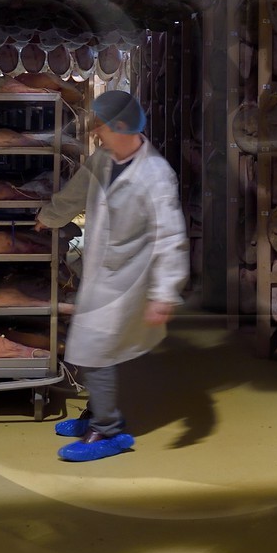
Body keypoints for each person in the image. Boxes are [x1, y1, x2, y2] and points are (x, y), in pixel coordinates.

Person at [34, 90, 188, 462]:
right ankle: (96, 413)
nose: (96, 133)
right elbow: (76, 193)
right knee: (87, 347)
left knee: (96, 349)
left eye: (100, 126)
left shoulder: (156, 176)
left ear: (121, 126)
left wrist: (165, 293)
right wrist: (49, 217)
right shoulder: (104, 158)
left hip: (130, 280)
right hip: (101, 271)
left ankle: (108, 431)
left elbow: (171, 238)